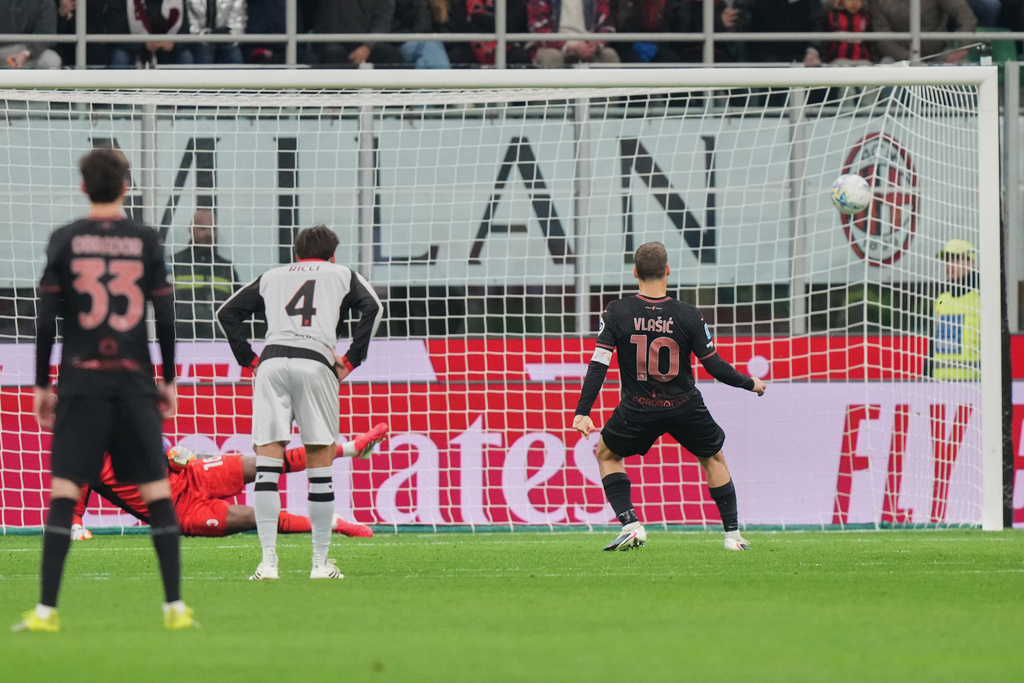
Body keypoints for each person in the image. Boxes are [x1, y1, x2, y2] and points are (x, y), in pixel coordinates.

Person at [13, 148, 195, 632]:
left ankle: (47, 611)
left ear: (82, 186)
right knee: (157, 492)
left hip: (81, 382)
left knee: (66, 492)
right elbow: (167, 317)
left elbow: (47, 319)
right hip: (134, 383)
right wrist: (169, 379)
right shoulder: (146, 240)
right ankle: (175, 608)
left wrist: (39, 385)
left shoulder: (66, 239)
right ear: (125, 187)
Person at [571, 242, 766, 552]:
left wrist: (583, 411)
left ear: (635, 272)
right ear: (668, 271)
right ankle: (733, 537)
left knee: (607, 455)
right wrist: (749, 383)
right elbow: (713, 365)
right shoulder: (688, 314)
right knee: (713, 458)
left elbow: (599, 364)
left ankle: (631, 525)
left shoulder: (616, 311)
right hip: (684, 405)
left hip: (638, 408)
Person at [217, 224, 384, 580]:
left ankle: (268, 563)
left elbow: (226, 313)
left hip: (273, 362)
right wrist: (353, 359)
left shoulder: (272, 276)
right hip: (316, 361)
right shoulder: (342, 274)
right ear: (333, 255)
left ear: (295, 253)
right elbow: (373, 307)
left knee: (267, 467)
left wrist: (248, 359)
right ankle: (320, 564)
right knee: (319, 467)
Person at [70, 426, 388, 540]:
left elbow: (163, 445)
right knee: (253, 517)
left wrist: (172, 452)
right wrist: (74, 525)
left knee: (268, 464)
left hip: (194, 473)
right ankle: (334, 523)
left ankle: (352, 449)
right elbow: (76, 499)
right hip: (182, 512)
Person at [172, 208, 240, 340]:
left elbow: (236, 305)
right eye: (203, 228)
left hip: (218, 338)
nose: (209, 233)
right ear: (191, 229)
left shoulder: (225, 268)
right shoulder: (176, 264)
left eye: (213, 229)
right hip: (182, 336)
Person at [927, 239, 980, 381]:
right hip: (940, 386)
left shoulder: (981, 300)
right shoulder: (941, 300)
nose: (949, 264)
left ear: (971, 262)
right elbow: (932, 346)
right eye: (947, 259)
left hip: (973, 386)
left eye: (956, 259)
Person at [871, 0, 977, 64]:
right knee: (886, 66)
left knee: (961, 66)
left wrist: (964, 47)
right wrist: (907, 57)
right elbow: (883, 38)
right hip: (900, 59)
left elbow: (966, 15)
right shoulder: (878, 2)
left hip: (940, 54)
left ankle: (965, 102)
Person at [308, 0, 404, 68]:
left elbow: (382, 23)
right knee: (334, 54)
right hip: (329, 42)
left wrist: (367, 47)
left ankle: (391, 96)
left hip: (364, 44)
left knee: (390, 55)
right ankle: (339, 97)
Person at [527, 0, 621, 68]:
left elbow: (607, 26)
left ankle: (608, 96)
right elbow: (539, 29)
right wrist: (570, 46)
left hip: (589, 44)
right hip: (553, 46)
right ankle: (556, 96)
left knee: (610, 55)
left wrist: (596, 43)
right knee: (552, 57)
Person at [446, 0, 533, 68]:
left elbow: (511, 26)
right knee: (457, 56)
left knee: (520, 57)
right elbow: (460, 26)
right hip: (471, 47)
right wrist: (490, 23)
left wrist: (475, 18)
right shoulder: (461, 2)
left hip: (507, 46)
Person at [804, 0, 873, 67]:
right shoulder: (830, 15)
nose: (854, 3)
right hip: (836, 61)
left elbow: (871, 42)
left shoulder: (866, 16)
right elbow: (824, 40)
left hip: (863, 61)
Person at [0, 0, 62, 69]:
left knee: (51, 60)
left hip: (27, 50)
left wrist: (26, 53)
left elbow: (45, 33)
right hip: (1, 49)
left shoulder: (45, 2)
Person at [393, 0, 452, 69]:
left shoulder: (443, 3)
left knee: (423, 61)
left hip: (434, 45)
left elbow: (449, 32)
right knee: (430, 47)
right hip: (402, 42)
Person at [186, 0, 247, 65]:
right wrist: (204, 35)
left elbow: (238, 20)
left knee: (234, 58)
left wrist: (230, 36)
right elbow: (190, 20)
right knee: (204, 56)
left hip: (227, 39)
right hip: (200, 38)